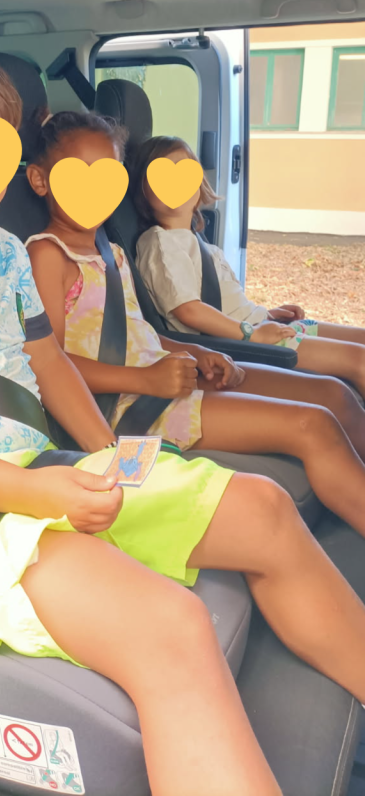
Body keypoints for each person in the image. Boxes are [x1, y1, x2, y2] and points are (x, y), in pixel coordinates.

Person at [0, 55, 365, 796]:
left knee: (263, 508)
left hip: (35, 469)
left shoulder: (6, 254)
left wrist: (112, 458)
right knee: (170, 625)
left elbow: (48, 363)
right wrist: (33, 493)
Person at [25, 110, 365, 534]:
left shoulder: (111, 253)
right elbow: (50, 364)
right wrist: (147, 380)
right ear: (40, 180)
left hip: (164, 378)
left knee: (335, 394)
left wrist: (196, 351)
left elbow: (140, 334)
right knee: (312, 425)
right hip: (127, 406)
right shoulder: (47, 255)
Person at [131, 135, 365, 401]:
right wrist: (252, 334)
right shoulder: (160, 243)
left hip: (259, 324)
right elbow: (189, 310)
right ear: (143, 192)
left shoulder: (195, 241)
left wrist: (266, 314)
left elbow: (226, 301)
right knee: (359, 360)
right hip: (245, 341)